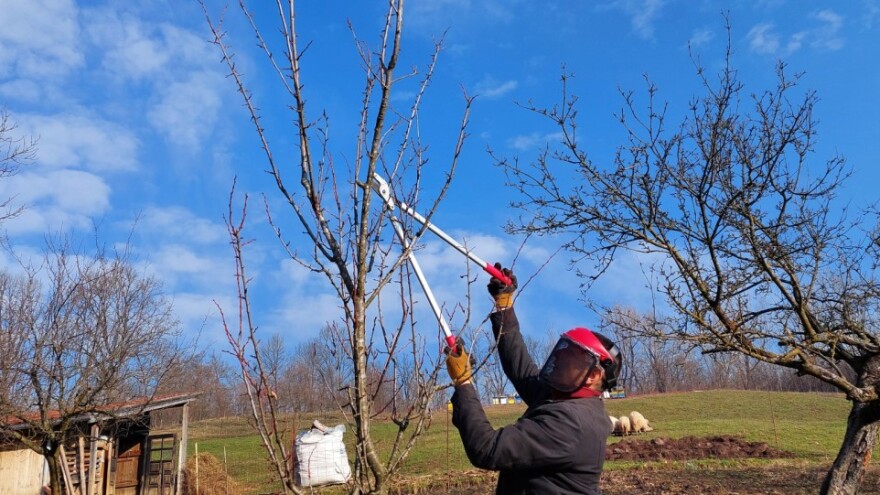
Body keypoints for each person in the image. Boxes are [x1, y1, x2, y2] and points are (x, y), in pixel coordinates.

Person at [445, 265, 622, 495]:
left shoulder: (570, 423)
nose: (559, 360)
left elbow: (487, 449)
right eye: (563, 352)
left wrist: (463, 383)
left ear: (594, 375)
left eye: (571, 359)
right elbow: (521, 371)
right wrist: (504, 307)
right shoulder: (566, 399)